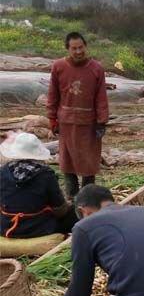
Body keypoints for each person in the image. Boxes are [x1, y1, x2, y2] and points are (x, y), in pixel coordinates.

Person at [46, 32, 109, 199]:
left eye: (81, 47)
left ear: (85, 46)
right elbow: (53, 94)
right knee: (68, 163)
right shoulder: (58, 67)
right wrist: (52, 118)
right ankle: (72, 199)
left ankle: (88, 199)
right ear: (68, 49)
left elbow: (101, 97)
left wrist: (102, 122)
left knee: (89, 163)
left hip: (89, 124)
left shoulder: (96, 69)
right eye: (74, 48)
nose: (78, 51)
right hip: (66, 122)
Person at [0, 132, 77, 238]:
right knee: (73, 212)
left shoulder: (3, 171)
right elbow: (59, 209)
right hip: (37, 229)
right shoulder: (46, 174)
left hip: (6, 227)